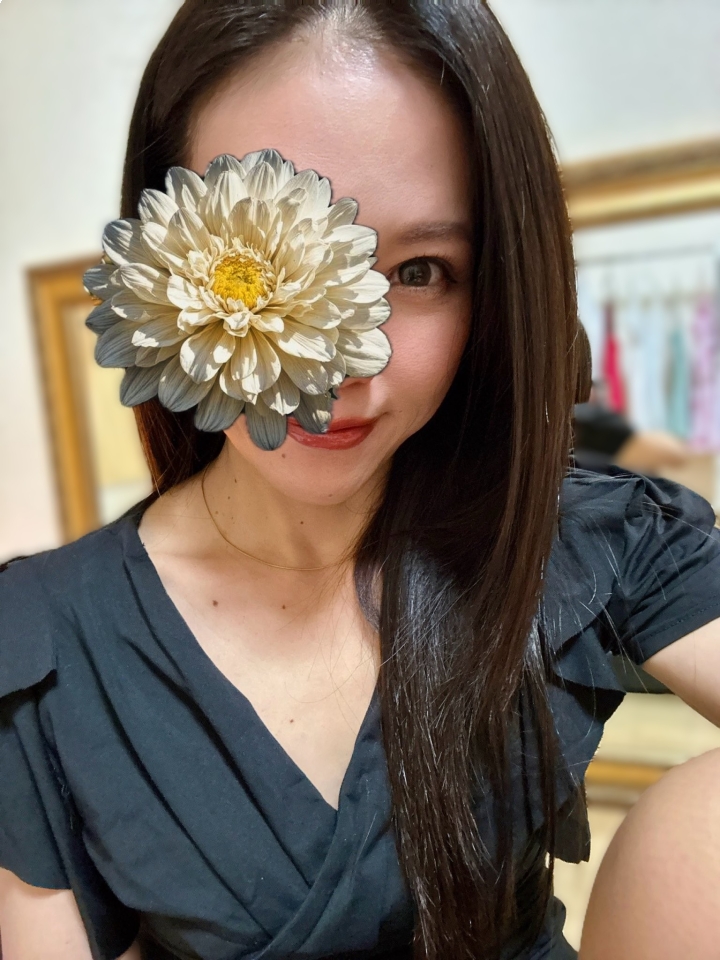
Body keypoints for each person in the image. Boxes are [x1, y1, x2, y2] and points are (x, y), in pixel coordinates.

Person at [2, 3, 720, 959]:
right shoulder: (45, 643)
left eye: (419, 271)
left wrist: (674, 857)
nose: (339, 362)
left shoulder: (589, 538)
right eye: (261, 270)